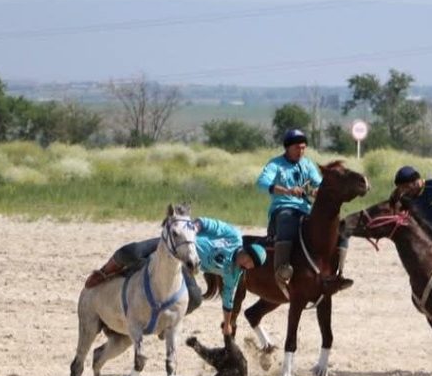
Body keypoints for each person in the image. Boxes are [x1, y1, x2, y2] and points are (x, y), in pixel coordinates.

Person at [85, 216, 266, 335]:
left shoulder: (234, 272)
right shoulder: (233, 236)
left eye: (251, 266)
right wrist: (191, 230)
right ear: (246, 252)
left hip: (186, 267)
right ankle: (104, 272)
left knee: (195, 299)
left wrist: (227, 324)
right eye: (250, 262)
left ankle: (166, 325)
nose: (248, 266)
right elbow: (207, 223)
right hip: (178, 247)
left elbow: (228, 297)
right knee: (134, 251)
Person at [256, 128, 351, 290]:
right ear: (287, 148)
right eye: (297, 148)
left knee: (341, 226)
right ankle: (282, 268)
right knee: (287, 219)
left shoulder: (307, 164)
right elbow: (262, 183)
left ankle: (338, 272)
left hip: (306, 210)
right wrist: (287, 191)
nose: (301, 151)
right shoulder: (275, 164)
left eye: (303, 148)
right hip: (283, 208)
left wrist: (316, 191)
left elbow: (319, 183)